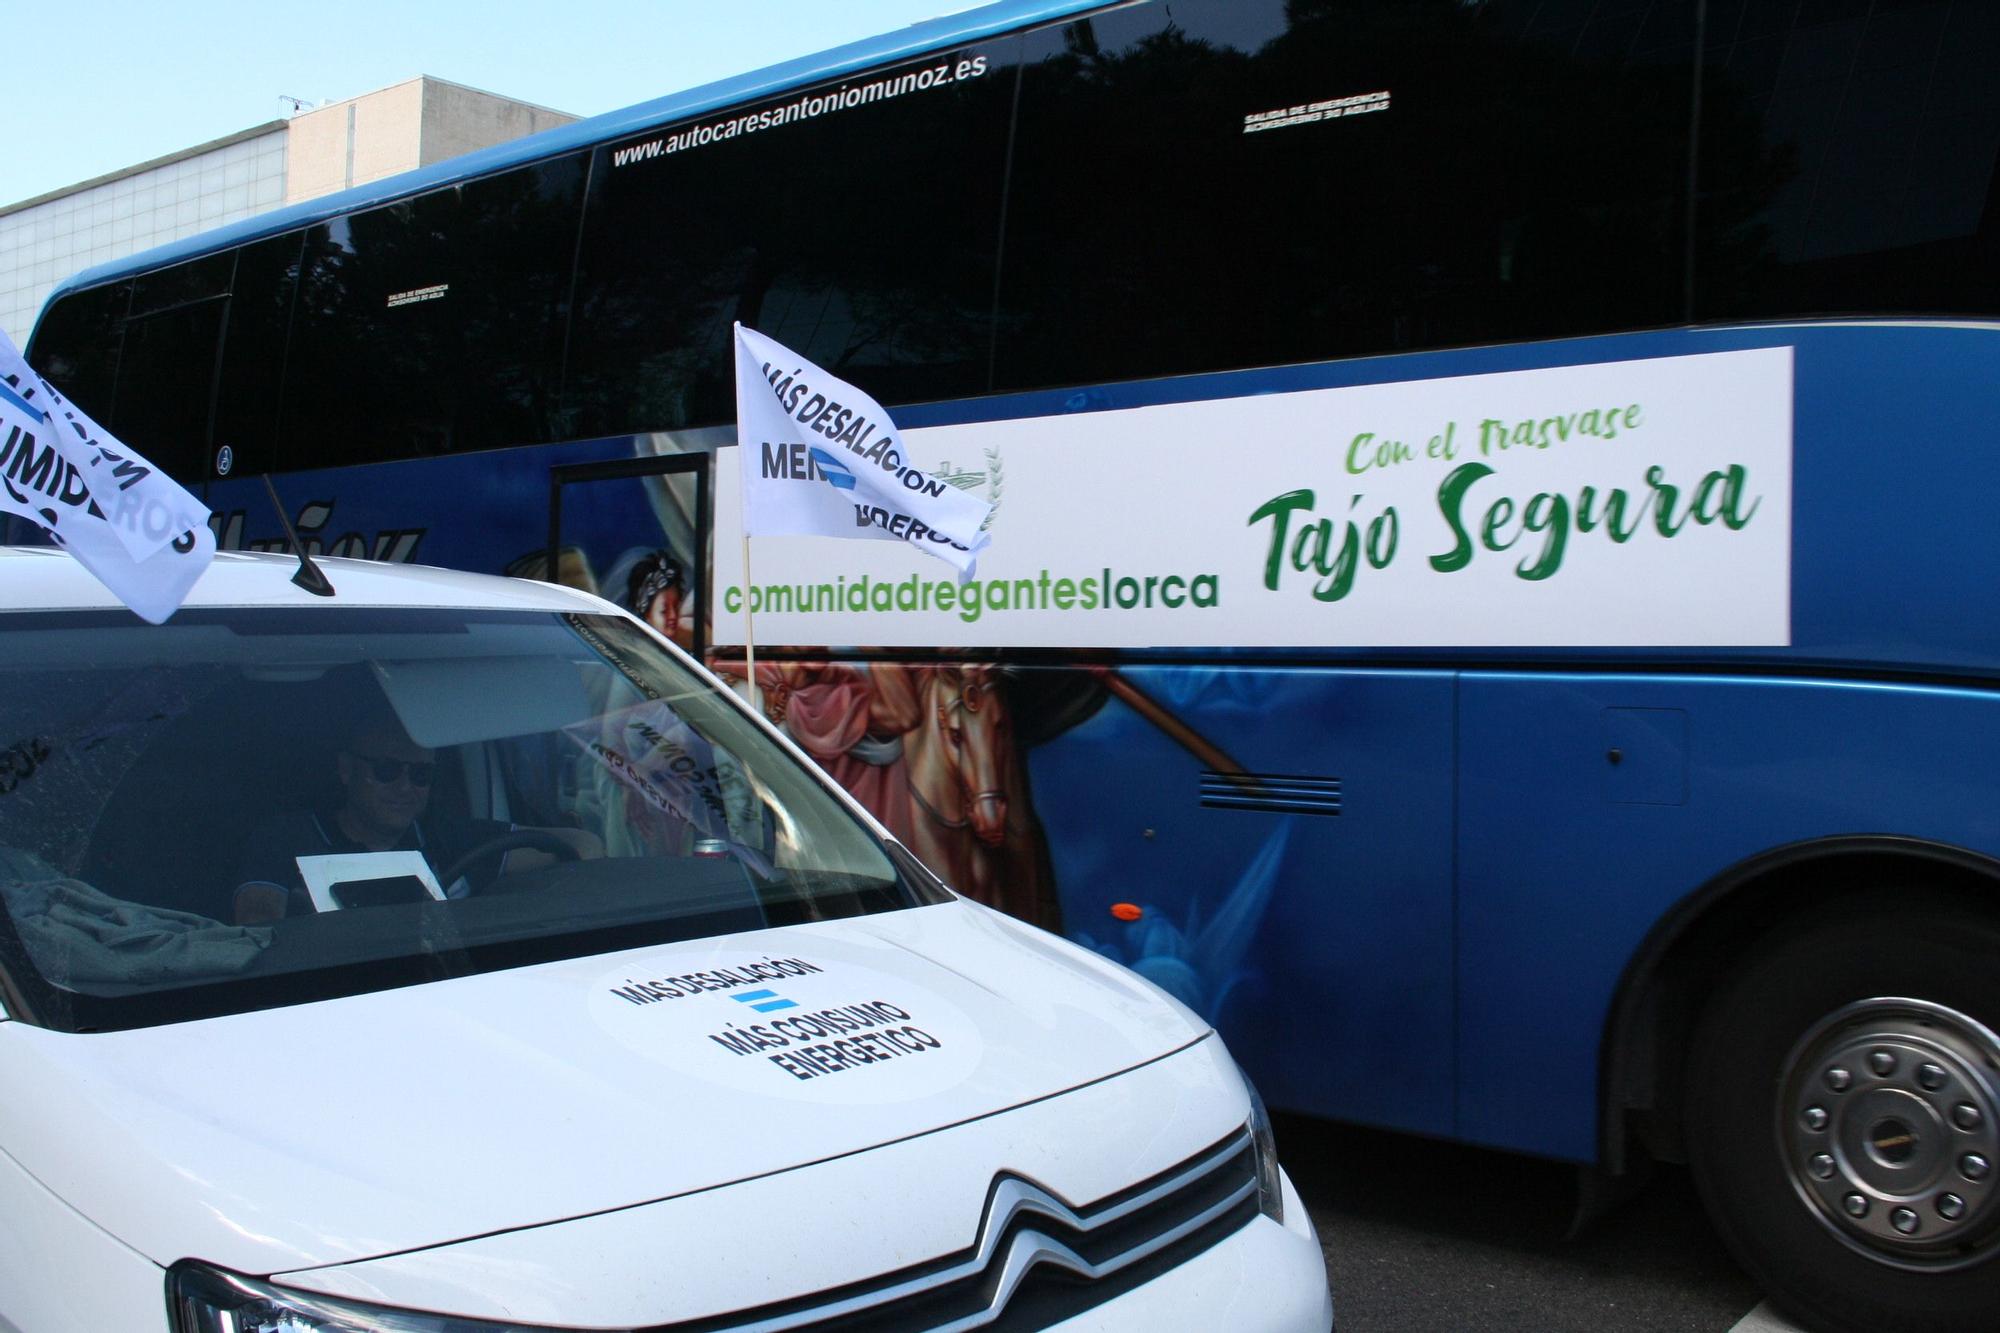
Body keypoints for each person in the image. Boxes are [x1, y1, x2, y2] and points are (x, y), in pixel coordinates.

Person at [233, 717, 598, 924]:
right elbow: (257, 923)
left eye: (421, 775)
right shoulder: (287, 838)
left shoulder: (451, 838)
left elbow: (584, 845)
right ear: (347, 770)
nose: (406, 787)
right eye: (388, 770)